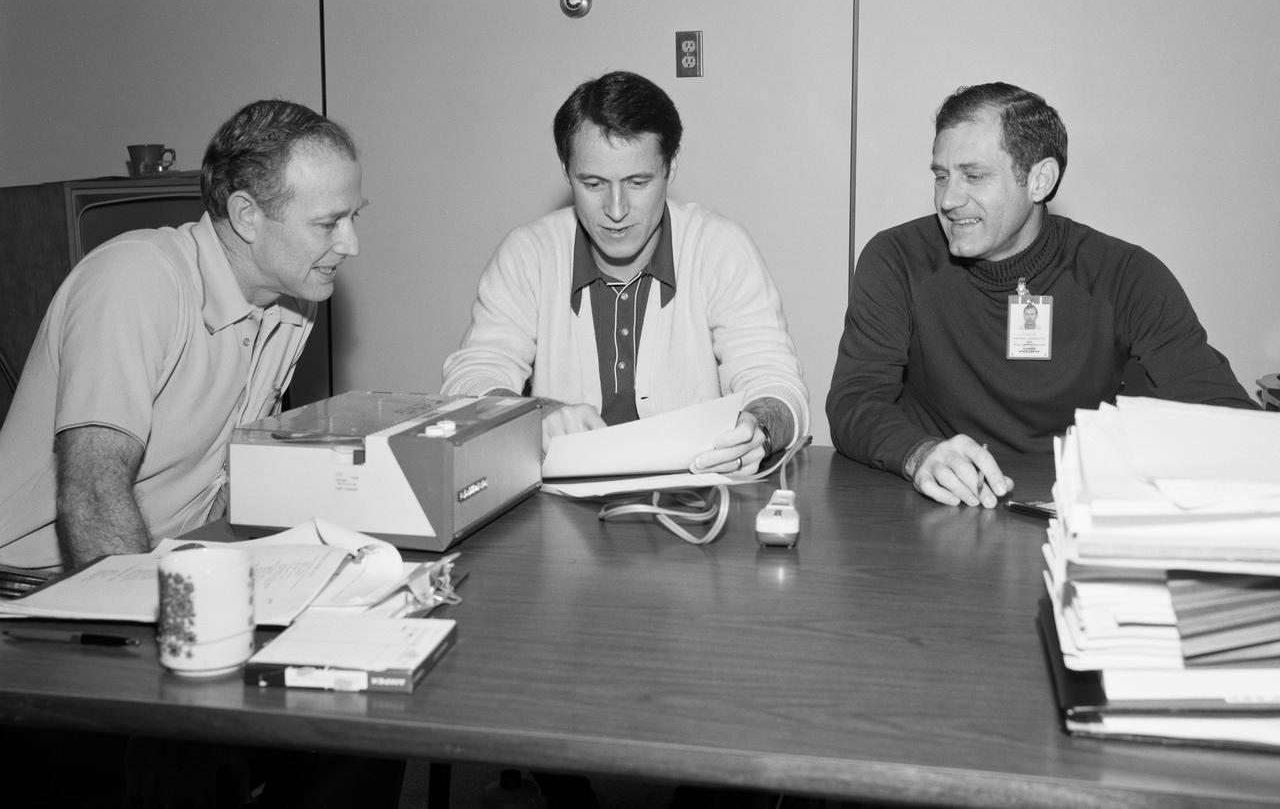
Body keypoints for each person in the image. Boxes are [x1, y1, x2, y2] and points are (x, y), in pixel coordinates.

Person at [826, 81, 1256, 509]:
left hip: (1069, 509)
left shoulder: (1124, 275)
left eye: (974, 176)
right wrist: (918, 454)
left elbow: (1226, 416)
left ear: (1039, 180)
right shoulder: (898, 259)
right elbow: (855, 401)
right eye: (941, 176)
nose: (949, 199)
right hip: (938, 506)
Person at [0, 99, 365, 570]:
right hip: (36, 580)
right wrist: (146, 608)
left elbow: (224, 476)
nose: (351, 244)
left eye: (354, 217)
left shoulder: (294, 300)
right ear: (246, 215)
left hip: (169, 561)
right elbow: (93, 493)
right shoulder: (135, 277)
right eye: (328, 223)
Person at [443, 69, 809, 474]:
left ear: (670, 166)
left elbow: (777, 383)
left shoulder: (720, 247)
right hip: (559, 501)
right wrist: (536, 414)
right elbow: (472, 378)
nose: (616, 211)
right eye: (593, 184)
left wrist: (758, 429)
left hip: (696, 494)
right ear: (566, 171)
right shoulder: (528, 254)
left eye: (637, 182)